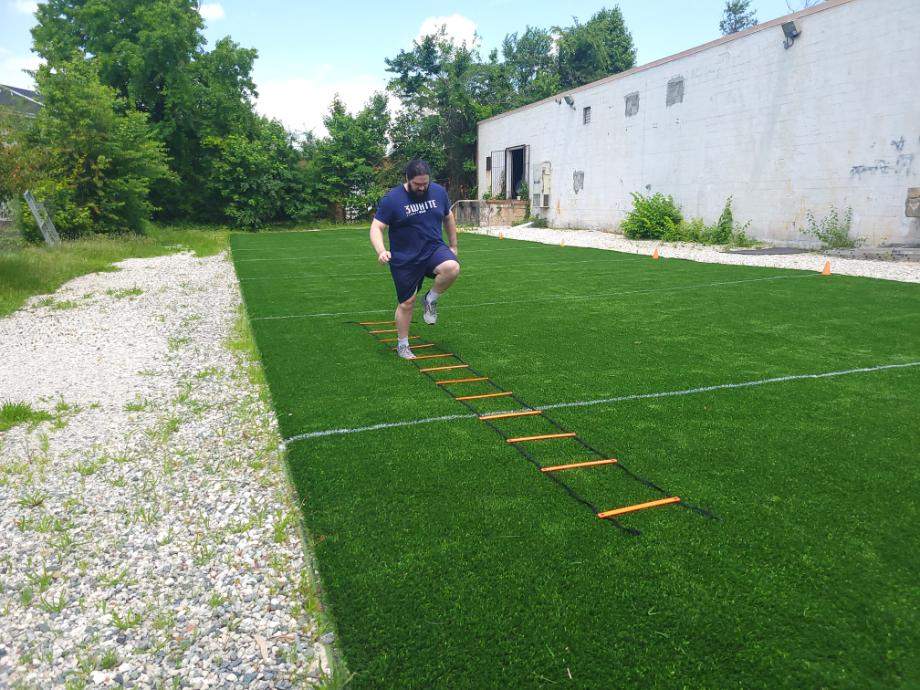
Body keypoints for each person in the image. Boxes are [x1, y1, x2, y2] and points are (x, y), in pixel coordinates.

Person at [369, 160, 460, 360]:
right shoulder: (392, 199)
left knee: (452, 267)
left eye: (425, 183)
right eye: (417, 184)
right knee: (406, 303)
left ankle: (430, 299)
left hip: (433, 248)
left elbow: (448, 216)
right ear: (407, 180)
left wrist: (453, 245)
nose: (422, 187)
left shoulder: (438, 192)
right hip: (405, 258)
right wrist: (381, 250)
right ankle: (403, 345)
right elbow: (377, 227)